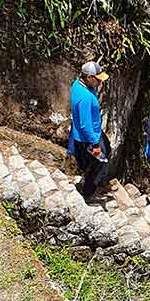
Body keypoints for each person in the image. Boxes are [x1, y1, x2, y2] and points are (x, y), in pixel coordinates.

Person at [68, 61, 110, 201]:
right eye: (98, 79)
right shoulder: (85, 97)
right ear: (89, 77)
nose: (100, 82)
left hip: (91, 133)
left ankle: (95, 183)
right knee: (98, 163)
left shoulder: (78, 84)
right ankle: (88, 193)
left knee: (107, 150)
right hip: (88, 138)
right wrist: (96, 145)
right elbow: (85, 126)